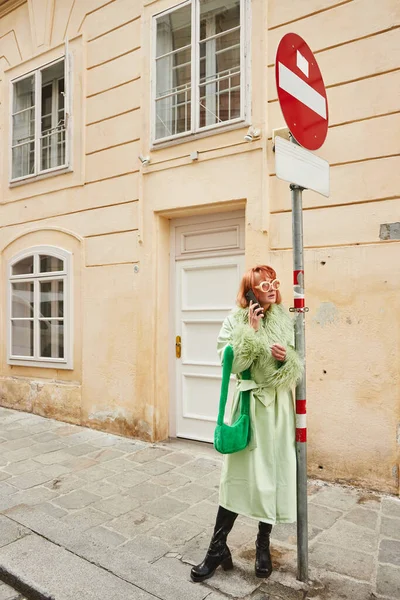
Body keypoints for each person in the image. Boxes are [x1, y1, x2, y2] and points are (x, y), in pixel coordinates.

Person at [190, 265, 303, 583]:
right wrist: (250, 332)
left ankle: (262, 545)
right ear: (250, 290)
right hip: (249, 408)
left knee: (273, 474)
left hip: (279, 409)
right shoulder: (235, 320)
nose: (271, 288)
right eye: (263, 283)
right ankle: (217, 549)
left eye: (273, 282)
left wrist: (285, 359)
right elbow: (231, 364)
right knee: (236, 477)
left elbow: (296, 363)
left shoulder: (284, 318)